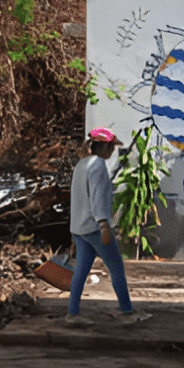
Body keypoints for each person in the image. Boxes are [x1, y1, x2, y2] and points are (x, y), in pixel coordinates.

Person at [63, 127, 144, 326]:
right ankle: (126, 310)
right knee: (116, 266)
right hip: (95, 227)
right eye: (112, 148)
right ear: (105, 147)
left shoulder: (82, 164)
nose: (113, 152)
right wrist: (104, 225)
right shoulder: (98, 165)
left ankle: (72, 314)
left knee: (81, 270)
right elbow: (97, 198)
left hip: (79, 227)